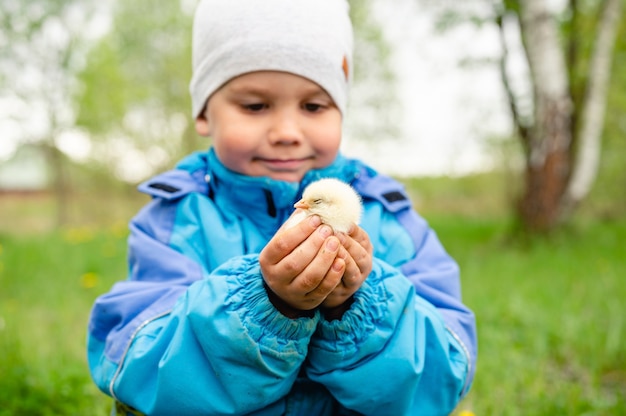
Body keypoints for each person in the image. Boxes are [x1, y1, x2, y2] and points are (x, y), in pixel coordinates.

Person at [87, 0, 477, 415]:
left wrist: (353, 308)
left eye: (313, 106)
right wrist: (268, 306)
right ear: (204, 113)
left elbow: (446, 368)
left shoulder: (387, 217)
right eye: (255, 106)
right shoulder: (175, 221)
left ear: (341, 111)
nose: (287, 132)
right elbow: (136, 365)